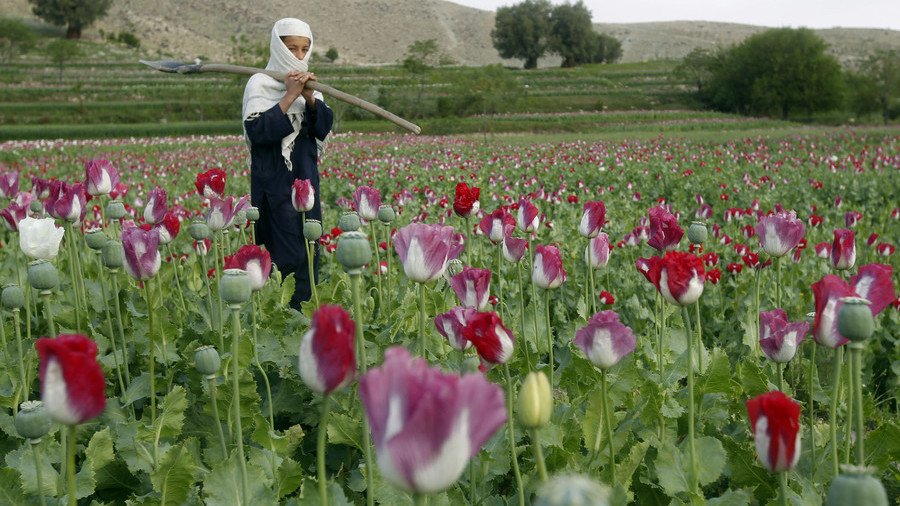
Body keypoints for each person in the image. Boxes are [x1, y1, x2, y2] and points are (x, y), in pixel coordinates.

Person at [242, 18, 333, 311]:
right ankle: (280, 318)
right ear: (278, 47)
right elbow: (258, 132)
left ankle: (305, 319)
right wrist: (290, 94)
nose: (298, 55)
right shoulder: (260, 83)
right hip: (274, 187)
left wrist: (308, 98)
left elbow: (323, 128)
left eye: (304, 49)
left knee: (310, 250)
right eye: (291, 48)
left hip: (305, 183)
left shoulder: (312, 87)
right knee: (284, 255)